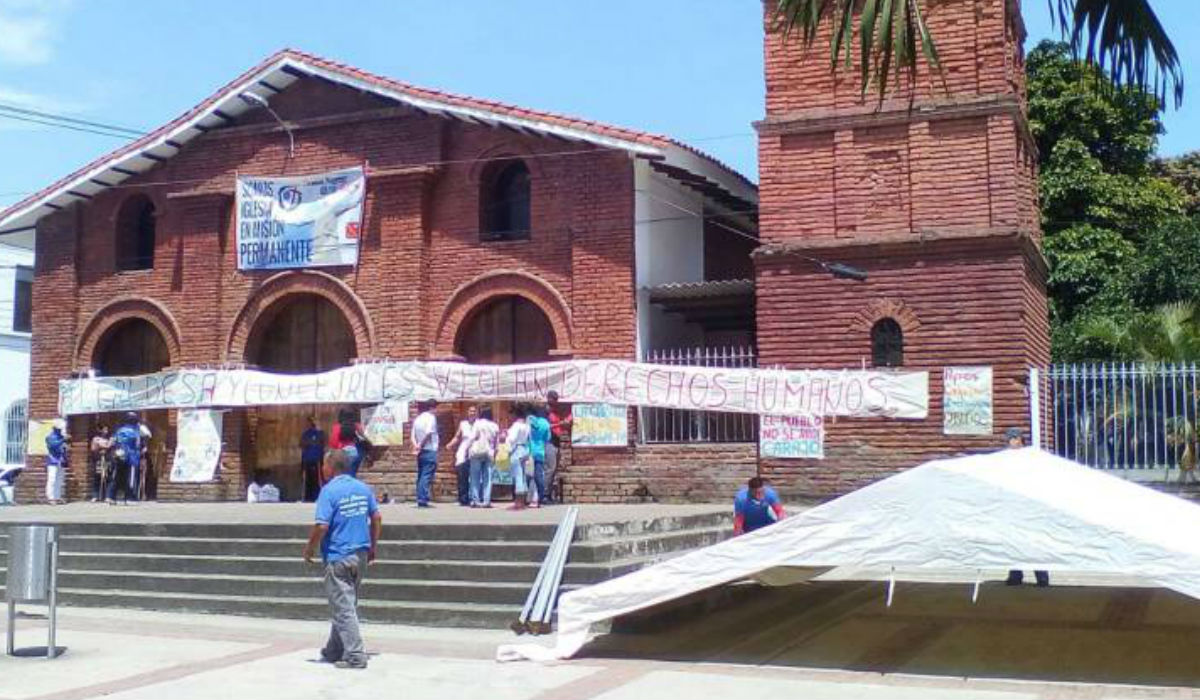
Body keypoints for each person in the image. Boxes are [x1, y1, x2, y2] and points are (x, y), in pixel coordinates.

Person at [302, 449, 381, 670]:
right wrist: (373, 546)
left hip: (339, 556)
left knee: (344, 607)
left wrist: (309, 549)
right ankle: (334, 650)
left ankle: (355, 655)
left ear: (331, 467)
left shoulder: (328, 491)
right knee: (345, 603)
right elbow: (376, 517)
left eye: (324, 464)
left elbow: (322, 525)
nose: (322, 468)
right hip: (360, 554)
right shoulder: (363, 488)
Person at [1003, 428, 1050, 587]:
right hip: (1013, 507)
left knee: (1034, 543)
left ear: (1020, 440)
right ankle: (1015, 575)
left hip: (1030, 507)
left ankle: (1042, 577)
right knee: (1014, 542)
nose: (1011, 442)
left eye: (1013, 439)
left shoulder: (1030, 458)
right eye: (1009, 439)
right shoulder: (1006, 459)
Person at [445, 405, 477, 507]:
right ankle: (463, 499)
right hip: (463, 453)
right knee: (462, 476)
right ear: (468, 413)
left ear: (477, 413)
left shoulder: (480, 424)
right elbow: (457, 437)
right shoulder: (463, 424)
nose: (472, 413)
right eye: (471, 411)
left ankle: (474, 498)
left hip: (476, 453)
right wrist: (450, 444)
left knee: (475, 477)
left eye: (474, 411)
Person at [467, 405, 499, 508]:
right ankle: (486, 500)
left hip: (476, 452)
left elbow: (471, 438)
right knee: (488, 478)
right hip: (489, 453)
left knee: (475, 477)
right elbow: (496, 443)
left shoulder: (477, 424)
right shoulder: (495, 426)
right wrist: (495, 453)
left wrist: (467, 449)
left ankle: (475, 500)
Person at [107, 412, 142, 505]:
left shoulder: (119, 430)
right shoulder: (136, 431)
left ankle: (111, 497)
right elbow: (138, 445)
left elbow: (112, 442)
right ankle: (130, 498)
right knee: (131, 478)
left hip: (119, 455)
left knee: (117, 476)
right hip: (132, 457)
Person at [410, 400, 439, 508]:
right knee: (426, 475)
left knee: (421, 474)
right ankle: (423, 498)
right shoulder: (431, 418)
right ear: (432, 408)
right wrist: (421, 445)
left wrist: (416, 445)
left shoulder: (418, 419)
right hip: (429, 449)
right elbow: (428, 433)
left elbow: (412, 435)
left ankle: (420, 497)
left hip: (420, 450)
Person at [504, 404, 534, 510]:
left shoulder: (516, 426)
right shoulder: (526, 426)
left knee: (518, 476)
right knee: (523, 476)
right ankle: (523, 501)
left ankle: (518, 503)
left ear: (515, 415)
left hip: (516, 450)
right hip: (524, 449)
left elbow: (511, 439)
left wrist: (506, 445)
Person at [546, 391, 572, 503]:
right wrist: (560, 424)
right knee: (550, 469)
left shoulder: (556, 411)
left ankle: (551, 494)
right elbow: (546, 426)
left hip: (556, 442)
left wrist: (564, 422)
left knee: (555, 469)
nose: (555, 401)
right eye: (553, 399)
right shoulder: (545, 411)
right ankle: (545, 494)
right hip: (548, 442)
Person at [330, 408, 367, 479]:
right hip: (356, 453)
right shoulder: (358, 426)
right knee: (352, 472)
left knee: (342, 474)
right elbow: (365, 438)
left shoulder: (337, 427)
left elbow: (333, 443)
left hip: (342, 453)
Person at [528, 404, 552, 505]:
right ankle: (540, 496)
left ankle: (528, 497)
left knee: (528, 475)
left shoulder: (529, 421)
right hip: (540, 451)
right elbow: (548, 438)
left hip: (529, 451)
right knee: (539, 475)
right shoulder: (546, 423)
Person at [299, 417, 327, 502]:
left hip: (310, 459)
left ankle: (307, 497)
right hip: (315, 459)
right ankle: (316, 496)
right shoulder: (319, 433)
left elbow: (302, 445)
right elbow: (323, 444)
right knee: (316, 479)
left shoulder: (307, 434)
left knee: (312, 480)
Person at [44, 419, 69, 505]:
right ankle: (50, 497)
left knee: (60, 479)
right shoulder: (50, 437)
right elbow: (53, 446)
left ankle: (57, 496)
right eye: (60, 429)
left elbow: (64, 448)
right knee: (52, 479)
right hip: (52, 460)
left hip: (61, 460)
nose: (61, 430)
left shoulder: (62, 437)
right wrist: (63, 440)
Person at [89, 424, 112, 502]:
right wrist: (101, 446)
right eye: (104, 430)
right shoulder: (96, 438)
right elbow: (93, 448)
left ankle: (107, 496)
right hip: (98, 459)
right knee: (97, 477)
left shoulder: (110, 438)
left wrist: (103, 446)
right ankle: (95, 495)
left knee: (108, 477)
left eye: (107, 430)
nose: (106, 431)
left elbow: (109, 446)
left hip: (107, 459)